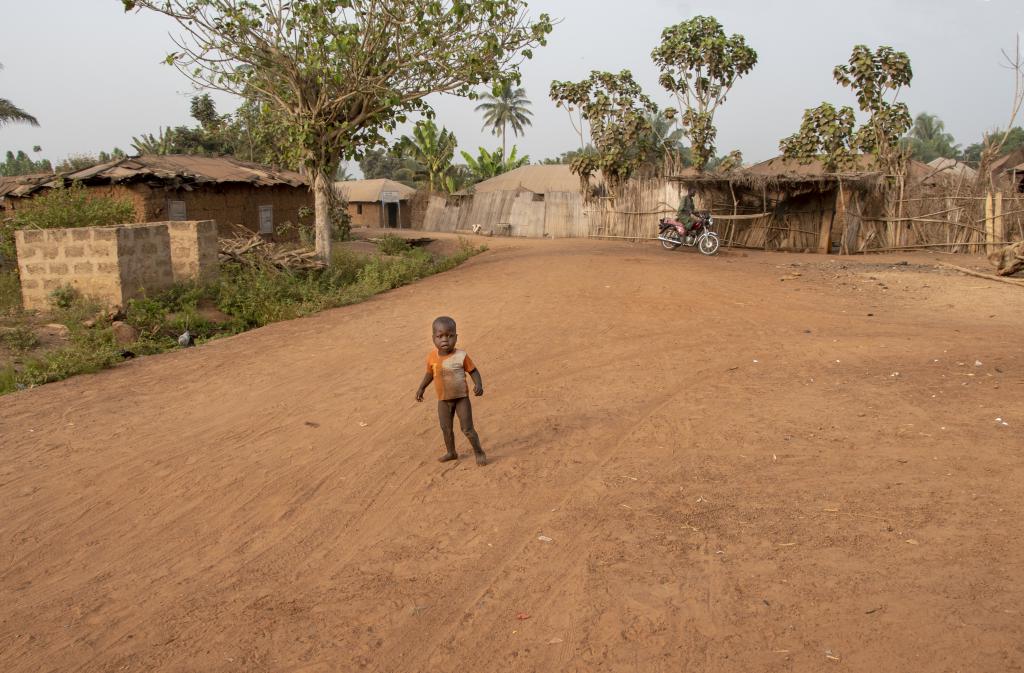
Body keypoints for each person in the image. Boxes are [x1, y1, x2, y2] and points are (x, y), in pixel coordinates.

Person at [415, 316, 488, 466]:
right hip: (443, 399)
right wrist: (421, 388)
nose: (445, 340)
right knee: (446, 428)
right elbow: (430, 374)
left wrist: (478, 384)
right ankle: (451, 452)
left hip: (461, 398)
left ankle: (479, 451)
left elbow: (473, 371)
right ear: (433, 338)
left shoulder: (461, 356)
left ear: (456, 336)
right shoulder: (432, 357)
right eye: (440, 336)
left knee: (467, 429)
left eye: (450, 335)